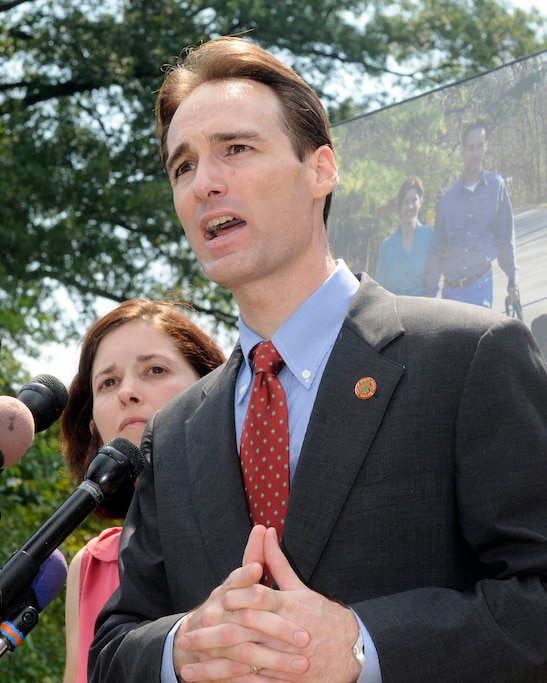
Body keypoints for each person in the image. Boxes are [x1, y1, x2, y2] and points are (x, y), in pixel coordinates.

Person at [89, 37, 547, 683]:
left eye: (235, 149)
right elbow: (112, 645)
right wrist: (182, 647)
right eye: (182, 166)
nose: (204, 183)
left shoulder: (469, 356)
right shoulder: (175, 430)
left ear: (321, 170)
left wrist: (364, 645)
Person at [60, 299, 225, 683]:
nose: (128, 393)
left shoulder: (261, 521)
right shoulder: (90, 565)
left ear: (213, 387)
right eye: (108, 382)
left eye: (155, 369)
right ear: (93, 427)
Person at [424, 120, 518, 308]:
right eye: (470, 147)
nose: (474, 153)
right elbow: (436, 251)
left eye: (479, 146)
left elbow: (505, 238)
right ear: (463, 151)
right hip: (450, 293)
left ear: (486, 147)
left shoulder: (496, 186)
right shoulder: (447, 200)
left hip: (479, 286)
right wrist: (428, 296)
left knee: (478, 337)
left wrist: (512, 280)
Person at [374, 176, 432, 295]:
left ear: (420, 202)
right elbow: (379, 289)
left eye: (414, 200)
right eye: (406, 202)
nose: (410, 207)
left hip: (423, 310)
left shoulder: (430, 238)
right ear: (399, 207)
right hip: (395, 311)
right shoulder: (387, 247)